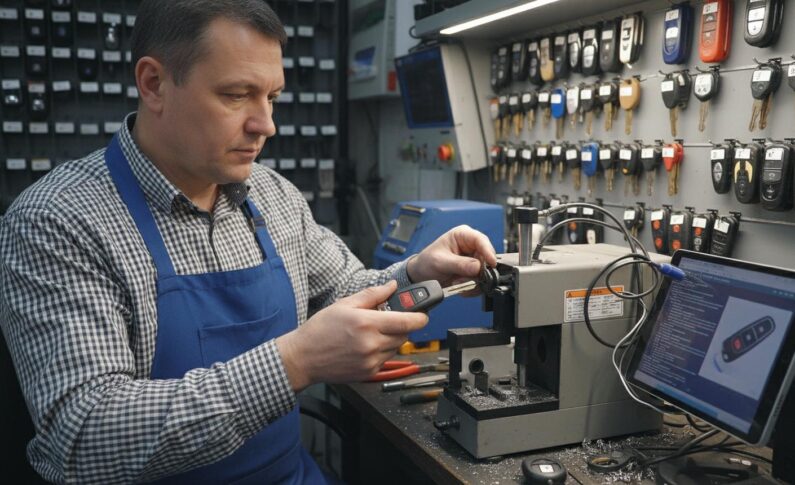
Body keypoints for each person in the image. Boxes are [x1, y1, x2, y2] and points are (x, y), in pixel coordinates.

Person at [0, 1, 497, 483]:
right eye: (237, 95)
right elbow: (84, 437)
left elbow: (348, 289)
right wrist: (295, 362)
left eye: (272, 97)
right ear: (154, 84)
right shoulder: (57, 221)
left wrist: (415, 274)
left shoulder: (274, 195)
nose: (266, 125)